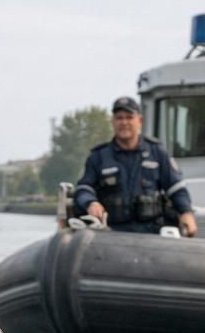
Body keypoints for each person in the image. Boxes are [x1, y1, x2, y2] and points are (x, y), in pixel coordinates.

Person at [73, 96, 197, 236]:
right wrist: (91, 203)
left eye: (129, 117)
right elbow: (83, 188)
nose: (124, 122)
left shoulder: (157, 152)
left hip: (152, 234)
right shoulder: (98, 156)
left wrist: (186, 212)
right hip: (110, 234)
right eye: (119, 118)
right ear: (112, 121)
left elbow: (176, 188)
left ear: (140, 120)